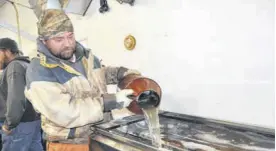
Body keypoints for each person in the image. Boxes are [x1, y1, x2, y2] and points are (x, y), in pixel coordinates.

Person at [25, 9, 140, 151]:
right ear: (44, 41)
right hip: (70, 144)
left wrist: (122, 73)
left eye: (70, 36)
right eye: (59, 39)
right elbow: (65, 112)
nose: (67, 44)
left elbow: (100, 73)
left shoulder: (85, 56)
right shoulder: (39, 70)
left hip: (99, 136)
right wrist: (110, 101)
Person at [0, 38, 43, 151]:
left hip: (19, 124)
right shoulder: (27, 65)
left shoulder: (14, 66)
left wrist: (9, 124)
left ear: (7, 52)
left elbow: (16, 98)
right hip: (34, 121)